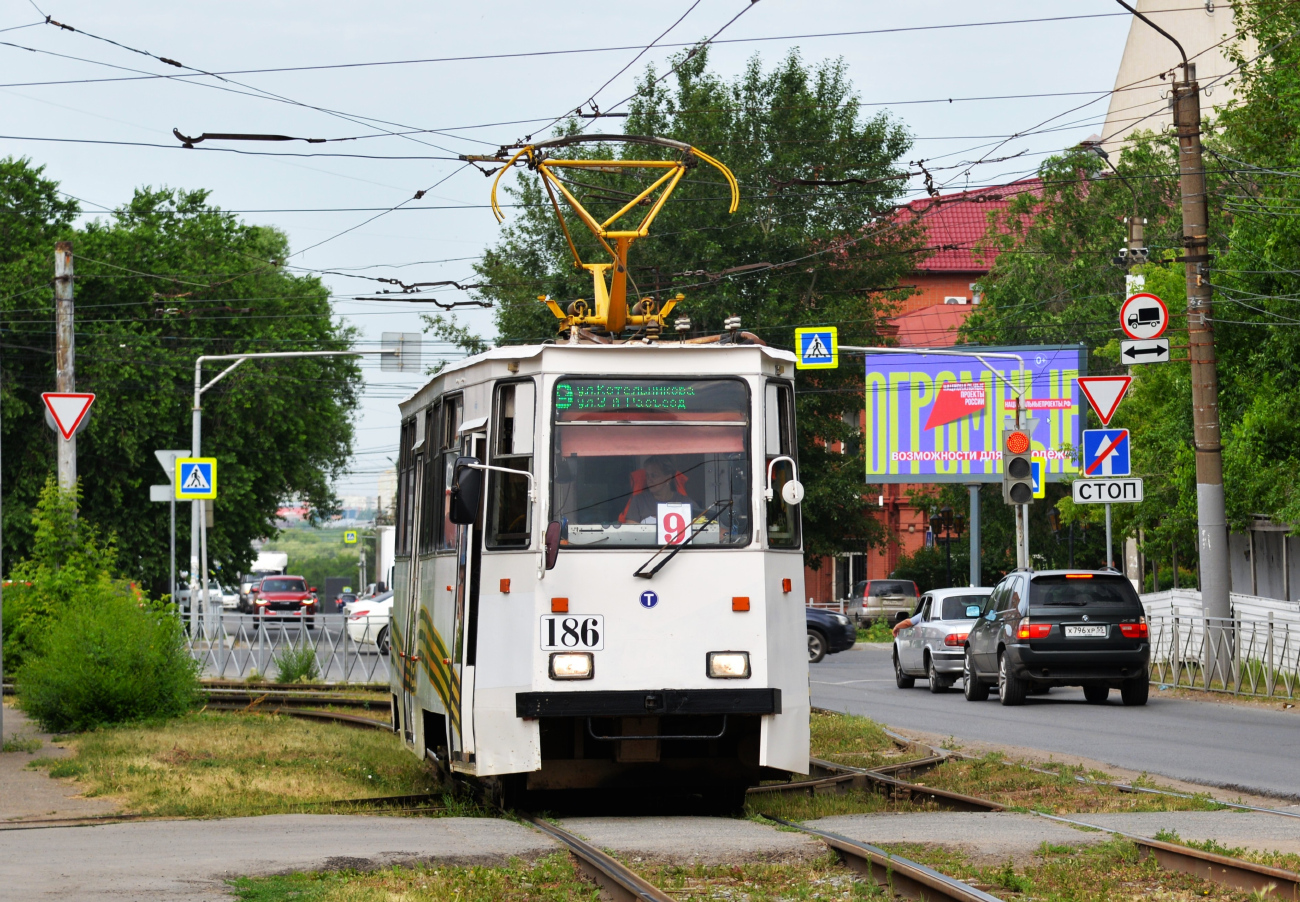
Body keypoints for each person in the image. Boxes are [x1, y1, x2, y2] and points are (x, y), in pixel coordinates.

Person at [623, 455, 698, 524]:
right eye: (647, 475)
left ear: (668, 478)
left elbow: (701, 525)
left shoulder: (685, 503)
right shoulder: (638, 501)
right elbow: (631, 531)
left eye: (654, 476)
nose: (649, 480)